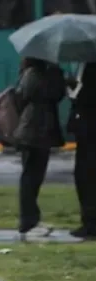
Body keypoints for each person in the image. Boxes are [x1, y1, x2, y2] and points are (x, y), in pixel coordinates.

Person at [13, 57, 66, 240]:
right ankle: (28, 221)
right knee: (32, 176)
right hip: (39, 130)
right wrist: (58, 73)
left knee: (30, 176)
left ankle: (29, 219)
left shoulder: (27, 74)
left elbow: (21, 97)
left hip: (28, 129)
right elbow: (57, 94)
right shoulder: (45, 74)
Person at [67, 63, 96, 239]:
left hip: (89, 130)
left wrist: (72, 90)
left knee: (86, 176)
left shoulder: (91, 68)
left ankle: (90, 222)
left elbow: (85, 97)